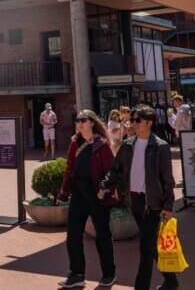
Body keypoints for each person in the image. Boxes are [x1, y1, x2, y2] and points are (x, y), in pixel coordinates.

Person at [100, 106, 178, 290]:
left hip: (153, 203)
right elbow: (115, 169)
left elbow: (167, 179)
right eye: (132, 120)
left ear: (149, 123)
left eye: (137, 120)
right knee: (150, 244)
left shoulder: (160, 146)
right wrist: (106, 185)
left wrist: (168, 206)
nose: (132, 123)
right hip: (134, 201)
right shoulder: (128, 145)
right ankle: (171, 281)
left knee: (145, 248)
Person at [59, 110, 116, 289]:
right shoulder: (75, 143)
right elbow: (70, 168)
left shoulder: (102, 144)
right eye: (77, 120)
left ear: (92, 122)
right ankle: (77, 274)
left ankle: (109, 274)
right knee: (73, 235)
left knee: (102, 235)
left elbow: (112, 171)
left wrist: (104, 188)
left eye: (83, 120)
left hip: (96, 195)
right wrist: (64, 191)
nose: (80, 123)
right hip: (79, 193)